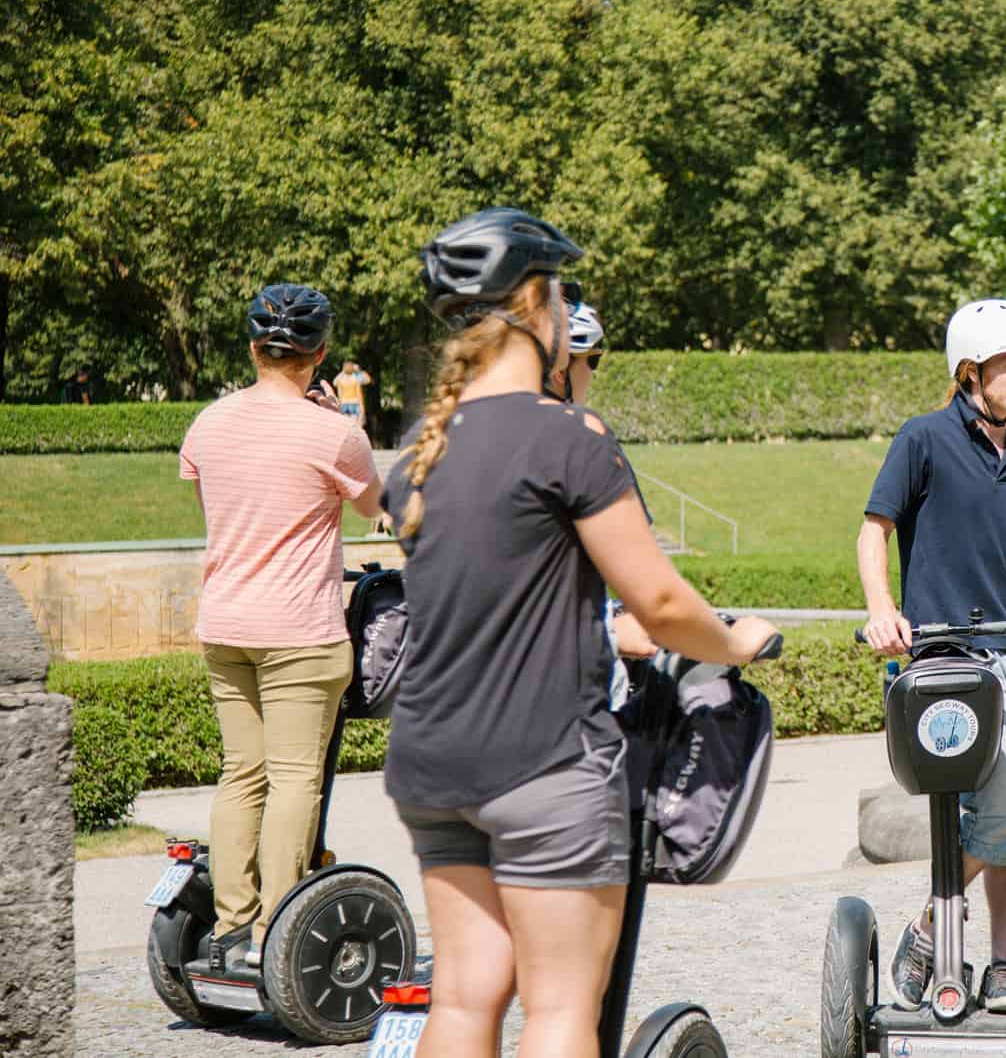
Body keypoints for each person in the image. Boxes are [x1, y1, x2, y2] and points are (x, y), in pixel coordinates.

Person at [381, 208, 777, 1057]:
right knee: (562, 1010)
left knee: (462, 998)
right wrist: (737, 642)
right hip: (545, 765)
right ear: (532, 300)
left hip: (432, 762)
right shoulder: (571, 437)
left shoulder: (419, 447)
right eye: (560, 293)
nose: (565, 313)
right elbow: (661, 602)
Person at [860, 298, 1006, 1015]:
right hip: (955, 659)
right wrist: (882, 610)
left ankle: (999, 964)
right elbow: (874, 530)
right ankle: (932, 925)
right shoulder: (924, 439)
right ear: (972, 370)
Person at [177, 283, 384, 974]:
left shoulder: (208, 423)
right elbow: (372, 508)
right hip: (300, 630)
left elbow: (216, 492)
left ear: (252, 348)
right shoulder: (336, 433)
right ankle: (275, 932)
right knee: (297, 780)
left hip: (226, 623)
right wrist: (336, 420)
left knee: (243, 773)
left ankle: (231, 926)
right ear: (320, 354)